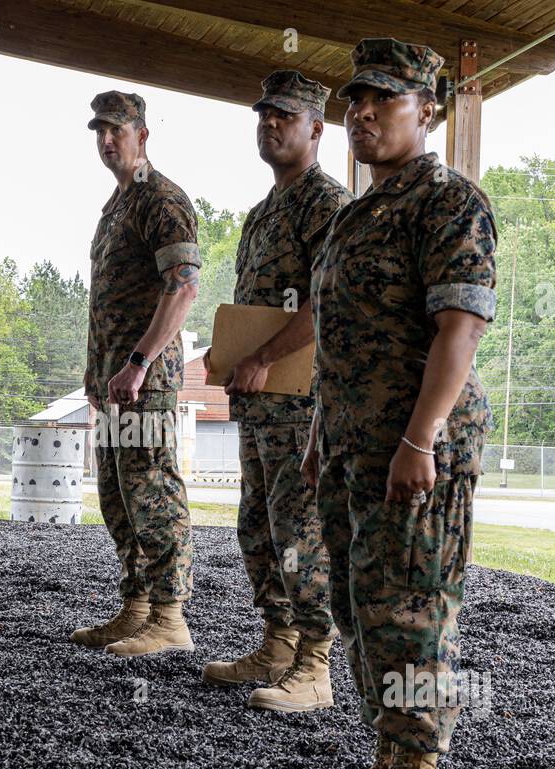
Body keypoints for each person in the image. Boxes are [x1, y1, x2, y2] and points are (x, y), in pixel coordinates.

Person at [298, 38, 497, 769]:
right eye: (356, 100)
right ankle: (389, 757)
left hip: (412, 451)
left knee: (412, 610)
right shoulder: (358, 213)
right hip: (354, 445)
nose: (364, 112)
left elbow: (461, 326)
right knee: (360, 606)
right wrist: (321, 429)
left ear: (428, 110)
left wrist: (421, 439)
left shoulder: (447, 200)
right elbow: (339, 337)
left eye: (384, 98)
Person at [200, 70, 351, 712]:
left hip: (302, 404)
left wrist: (261, 356)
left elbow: (326, 302)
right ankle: (278, 643)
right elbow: (258, 305)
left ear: (316, 128)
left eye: (284, 116)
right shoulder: (263, 213)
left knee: (299, 531)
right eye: (263, 115)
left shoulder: (328, 204)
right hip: (260, 402)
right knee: (257, 526)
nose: (270, 125)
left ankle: (315, 664)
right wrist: (229, 353)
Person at [68, 91, 202, 658]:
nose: (106, 140)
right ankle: (139, 608)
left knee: (152, 492)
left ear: (142, 135)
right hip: (114, 385)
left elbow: (184, 288)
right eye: (99, 130)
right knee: (119, 496)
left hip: (144, 383)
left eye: (116, 130)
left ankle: (170, 618)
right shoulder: (117, 204)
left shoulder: (162, 200)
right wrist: (99, 371)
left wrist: (138, 362)